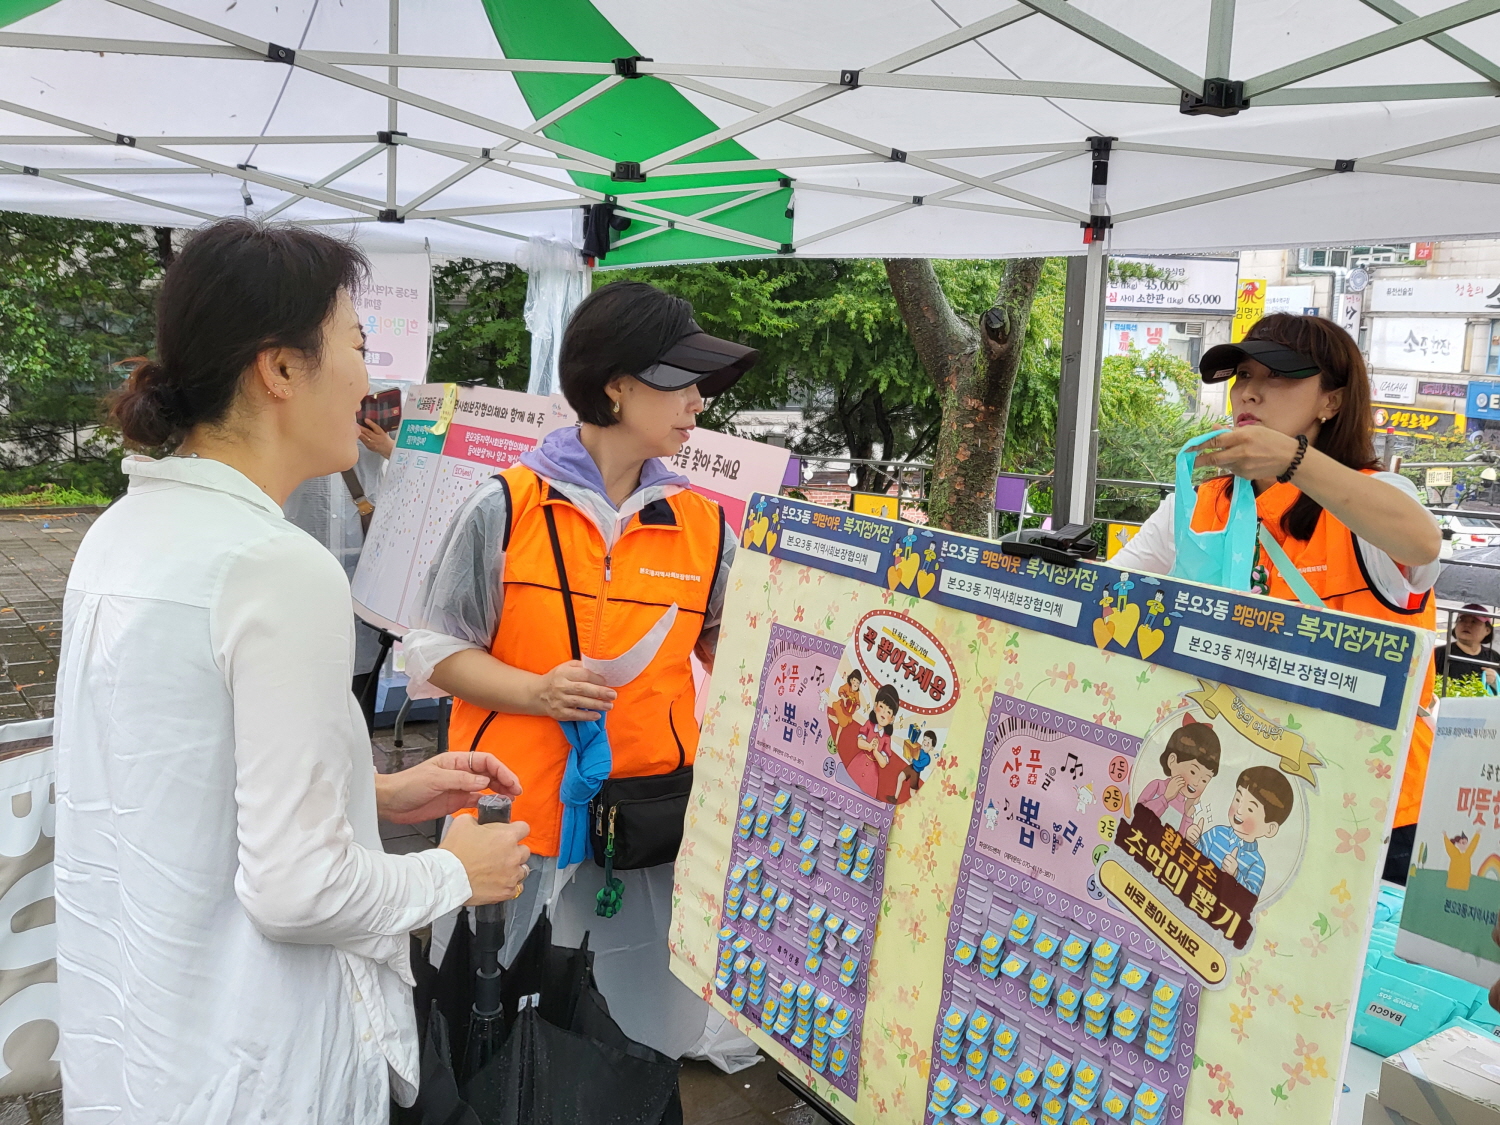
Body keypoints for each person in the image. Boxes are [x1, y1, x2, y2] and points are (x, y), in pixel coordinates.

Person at [54, 219, 533, 1123]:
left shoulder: (121, 533)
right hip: (257, 1064)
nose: (368, 379)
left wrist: (376, 793)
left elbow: (176, 775)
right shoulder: (277, 565)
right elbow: (300, 889)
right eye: (356, 345)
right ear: (279, 369)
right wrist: (454, 873)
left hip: (141, 1047)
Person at [402, 280, 757, 1065]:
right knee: (499, 1032)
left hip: (644, 826)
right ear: (617, 386)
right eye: (681, 381)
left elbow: (736, 654)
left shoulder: (702, 525)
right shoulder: (506, 505)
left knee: (632, 1036)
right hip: (512, 819)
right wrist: (536, 691)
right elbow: (433, 650)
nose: (698, 402)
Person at [1111, 313, 1440, 885]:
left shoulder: (1373, 497)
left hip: (1373, 809)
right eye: (1242, 375)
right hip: (1242, 794)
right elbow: (1114, 591)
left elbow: (1421, 541)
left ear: (1331, 402)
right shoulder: (1198, 499)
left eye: (1280, 377)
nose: (1250, 391)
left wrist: (1293, 460)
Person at [1193, 765, 1294, 896]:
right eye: (1238, 800)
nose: (1239, 810)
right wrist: (1194, 841)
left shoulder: (1257, 864)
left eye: (1250, 809)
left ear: (1270, 828)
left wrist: (1235, 875)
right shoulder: (1217, 833)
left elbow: (1249, 898)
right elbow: (1196, 855)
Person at [1137, 716, 1220, 833]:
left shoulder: (1185, 807)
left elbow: (1178, 841)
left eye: (1204, 780)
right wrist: (1165, 798)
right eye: (1193, 772)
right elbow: (1138, 816)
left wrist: (1187, 816)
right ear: (1172, 760)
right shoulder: (1158, 786)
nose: (1196, 783)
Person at [1434, 604, 1500, 689]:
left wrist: (1495, 682)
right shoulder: (1439, 654)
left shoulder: (1494, 657)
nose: (1467, 625)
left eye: (1474, 622)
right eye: (1462, 620)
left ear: (1487, 630)